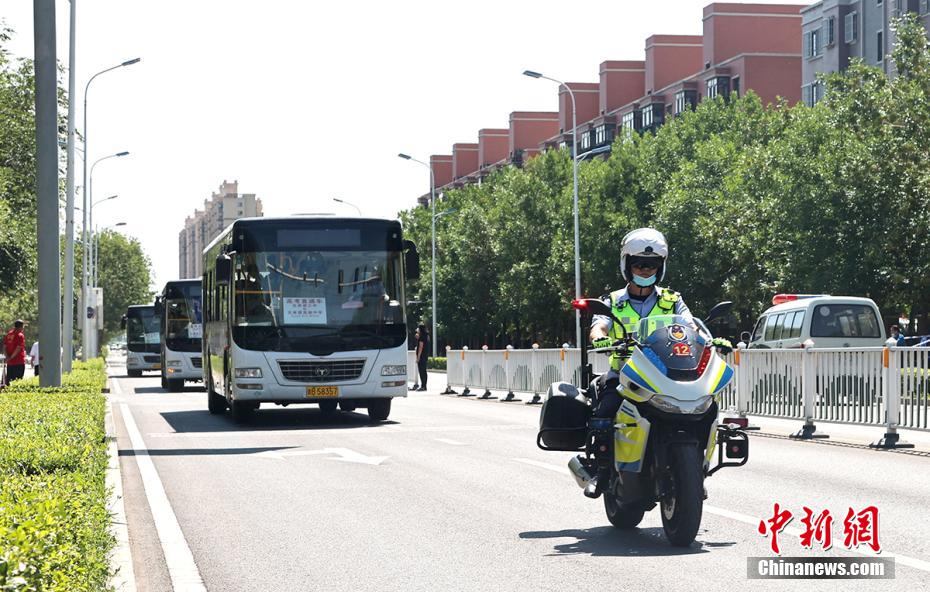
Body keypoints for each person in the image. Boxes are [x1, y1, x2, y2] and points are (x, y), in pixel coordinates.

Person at [585, 228, 729, 497]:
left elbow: (691, 326)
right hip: (627, 371)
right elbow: (599, 326)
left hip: (668, 370)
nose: (645, 269)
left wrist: (711, 340)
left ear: (660, 267)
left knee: (706, 405)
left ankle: (696, 470)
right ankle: (602, 473)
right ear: (627, 265)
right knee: (606, 408)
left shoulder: (673, 300)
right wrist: (599, 338)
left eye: (651, 265)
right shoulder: (613, 301)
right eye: (639, 264)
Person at [3, 320, 27, 385]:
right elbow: (18, 348)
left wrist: (7, 357)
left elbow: (4, 347)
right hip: (18, 362)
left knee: (9, 382)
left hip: (10, 363)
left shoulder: (9, 334)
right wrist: (10, 358)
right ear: (21, 327)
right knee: (18, 382)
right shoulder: (20, 335)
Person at [415, 324, 430, 392]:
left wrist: (418, 357)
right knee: (424, 371)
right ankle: (424, 386)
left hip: (421, 356)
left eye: (418, 328)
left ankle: (423, 386)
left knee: (421, 371)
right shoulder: (426, 336)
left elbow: (420, 347)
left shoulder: (421, 337)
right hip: (425, 355)